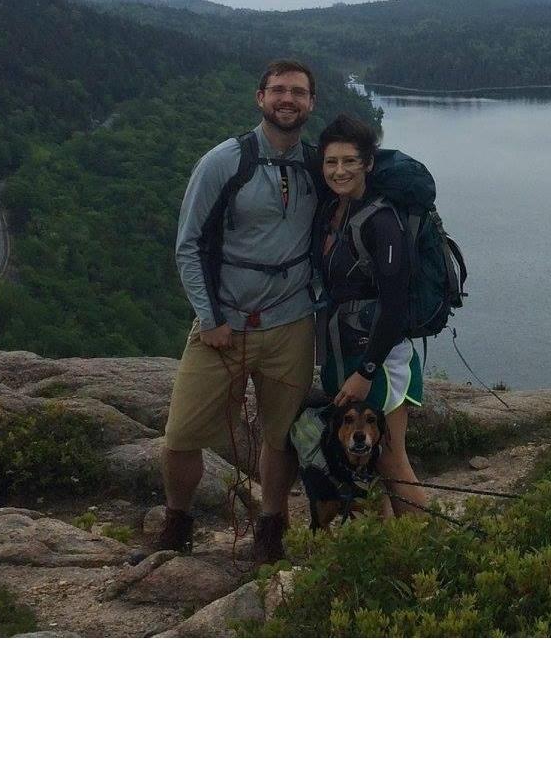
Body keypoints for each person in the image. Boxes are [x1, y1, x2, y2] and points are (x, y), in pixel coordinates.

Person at [156, 59, 323, 564]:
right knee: (182, 435)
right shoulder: (224, 160)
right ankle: (176, 523)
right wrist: (210, 321)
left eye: (298, 92)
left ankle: (271, 526)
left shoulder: (319, 166)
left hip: (292, 324)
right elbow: (188, 246)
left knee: (281, 436)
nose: (287, 99)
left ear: (311, 102)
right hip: (222, 326)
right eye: (278, 90)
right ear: (260, 97)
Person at [315, 112, 428, 517]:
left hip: (378, 361)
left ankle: (425, 553)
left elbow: (395, 307)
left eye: (350, 161)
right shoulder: (333, 211)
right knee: (365, 465)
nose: (339, 170)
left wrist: (365, 372)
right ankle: (385, 548)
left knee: (392, 462)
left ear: (368, 164)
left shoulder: (381, 221)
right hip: (342, 353)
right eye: (331, 162)